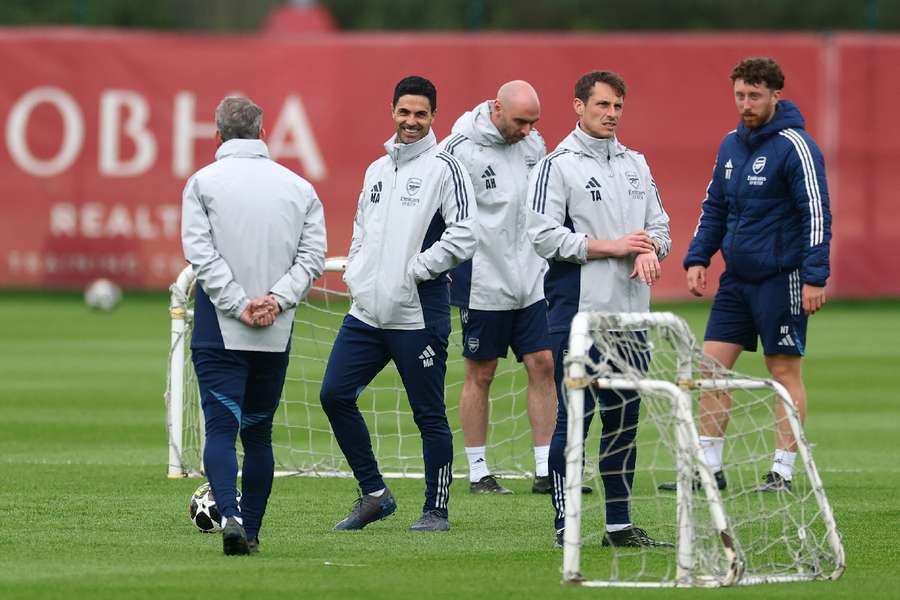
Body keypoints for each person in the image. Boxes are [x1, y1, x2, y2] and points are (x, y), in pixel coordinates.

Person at [660, 57, 831, 494]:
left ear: (776, 95)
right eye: (740, 94)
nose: (746, 103)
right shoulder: (730, 145)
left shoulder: (797, 146)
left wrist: (814, 275)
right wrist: (698, 258)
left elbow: (817, 212)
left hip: (783, 277)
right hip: (737, 280)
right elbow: (714, 206)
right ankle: (708, 468)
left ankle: (783, 472)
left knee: (782, 371)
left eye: (755, 95)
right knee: (710, 369)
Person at [319, 76, 477, 532]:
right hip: (367, 313)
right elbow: (361, 230)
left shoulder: (446, 169)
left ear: (433, 117)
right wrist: (356, 274)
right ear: (392, 111)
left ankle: (436, 509)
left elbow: (465, 234)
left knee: (428, 414)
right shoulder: (376, 170)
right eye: (404, 112)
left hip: (417, 313)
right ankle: (374, 494)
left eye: (421, 114)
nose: (411, 122)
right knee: (333, 395)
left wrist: (420, 268)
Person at [526, 71, 671, 547]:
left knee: (624, 423)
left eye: (617, 107)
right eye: (603, 105)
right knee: (574, 423)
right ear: (578, 106)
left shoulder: (636, 164)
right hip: (579, 318)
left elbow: (661, 227)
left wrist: (651, 249)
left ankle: (618, 526)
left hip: (631, 320)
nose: (611, 114)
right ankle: (565, 525)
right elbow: (542, 236)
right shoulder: (557, 165)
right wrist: (611, 247)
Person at [181, 96, 327, 555]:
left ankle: (231, 515)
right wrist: (276, 301)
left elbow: (200, 254)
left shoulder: (202, 182)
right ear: (264, 134)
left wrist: (239, 304)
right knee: (259, 434)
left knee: (221, 430)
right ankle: (255, 531)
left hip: (220, 328)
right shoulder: (299, 187)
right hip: (274, 330)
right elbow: (313, 257)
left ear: (216, 135)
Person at [439, 80, 558, 495]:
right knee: (482, 372)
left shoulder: (535, 145)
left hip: (532, 277)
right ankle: (477, 472)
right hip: (483, 279)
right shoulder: (458, 149)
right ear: (496, 108)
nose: (528, 130)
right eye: (521, 121)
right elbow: (440, 210)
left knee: (544, 363)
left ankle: (546, 469)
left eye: (533, 122)